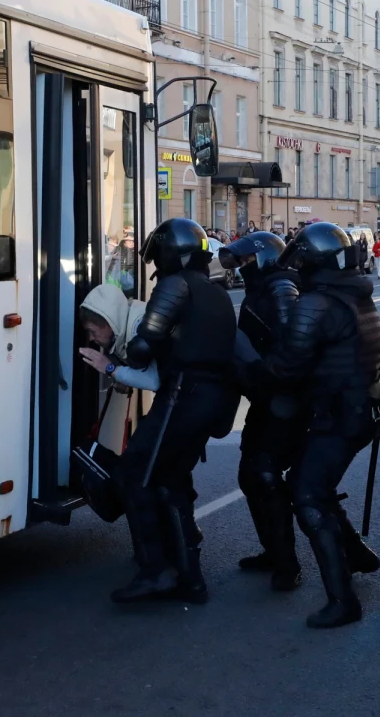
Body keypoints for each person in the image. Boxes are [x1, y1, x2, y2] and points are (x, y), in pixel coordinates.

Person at [257, 223, 380, 628]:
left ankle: (342, 601)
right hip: (364, 408)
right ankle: (358, 555)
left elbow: (288, 365)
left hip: (339, 414)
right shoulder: (355, 294)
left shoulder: (317, 303)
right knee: (313, 484)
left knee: (308, 495)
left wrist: (245, 368)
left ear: (312, 260)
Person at [112, 218, 239, 604]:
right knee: (171, 479)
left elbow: (143, 344)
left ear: (169, 253)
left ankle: (156, 570)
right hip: (212, 399)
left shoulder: (175, 285)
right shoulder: (216, 291)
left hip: (182, 396)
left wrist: (119, 354)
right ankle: (189, 576)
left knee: (135, 472)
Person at [218, 232, 303, 591]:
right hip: (266, 397)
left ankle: (288, 564)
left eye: (247, 262)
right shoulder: (263, 288)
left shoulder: (281, 288)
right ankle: (273, 551)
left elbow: (291, 348)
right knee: (251, 475)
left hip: (284, 400)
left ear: (264, 258)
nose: (242, 270)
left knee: (267, 477)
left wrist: (262, 373)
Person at [78, 284, 159, 393]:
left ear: (109, 324)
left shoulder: (139, 328)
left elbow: (153, 380)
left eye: (93, 331)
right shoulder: (121, 329)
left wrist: (109, 368)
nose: (91, 338)